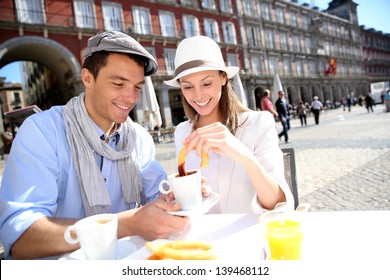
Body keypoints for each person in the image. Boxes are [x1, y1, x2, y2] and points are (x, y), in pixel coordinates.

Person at [0, 31, 189, 260]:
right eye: (119, 83)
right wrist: (125, 225)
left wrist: (183, 194)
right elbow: (21, 238)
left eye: (138, 87)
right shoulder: (42, 132)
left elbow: (157, 195)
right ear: (88, 79)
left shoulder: (139, 137)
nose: (131, 98)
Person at [163, 35, 294, 214]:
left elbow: (278, 204)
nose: (198, 95)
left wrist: (243, 156)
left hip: (247, 237)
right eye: (188, 87)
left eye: (207, 83)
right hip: (201, 238)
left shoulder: (258, 123)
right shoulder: (182, 132)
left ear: (223, 78)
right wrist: (180, 196)